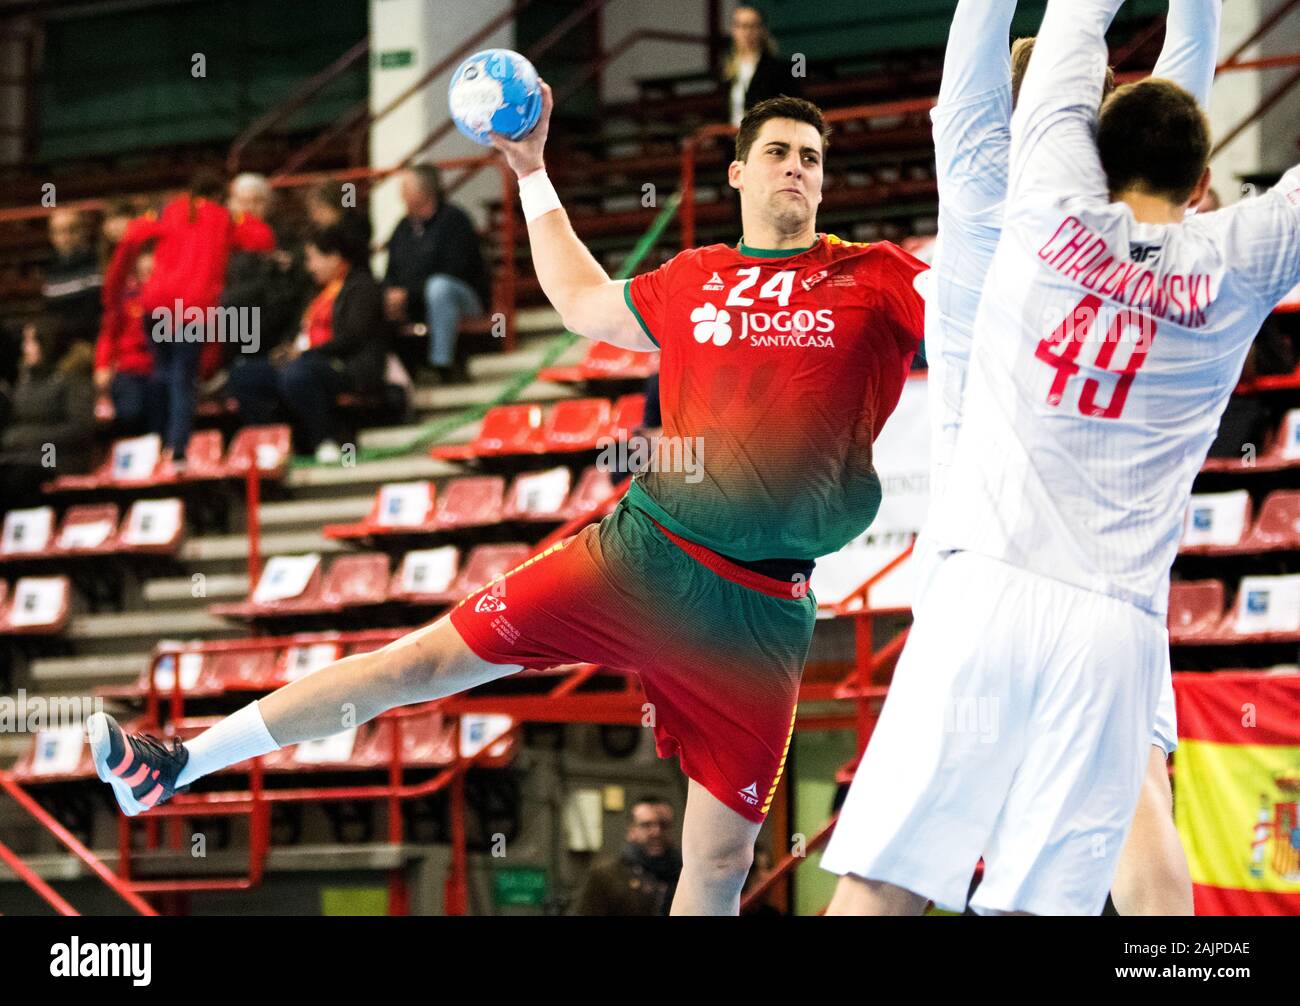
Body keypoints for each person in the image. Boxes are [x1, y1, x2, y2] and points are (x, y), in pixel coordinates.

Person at [87, 88, 928, 917]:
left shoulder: (878, 276)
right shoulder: (694, 279)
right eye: (778, 153)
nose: (796, 170)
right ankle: (177, 764)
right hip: (644, 554)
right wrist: (530, 171)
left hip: (760, 611)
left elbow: (997, 304)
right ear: (739, 175)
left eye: (811, 159)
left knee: (718, 859)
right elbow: (578, 301)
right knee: (413, 664)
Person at [824, 0, 1299, 916]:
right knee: (1080, 867)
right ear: (1201, 181)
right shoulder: (1230, 264)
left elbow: (1050, 40)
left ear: (1081, 141)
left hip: (984, 559)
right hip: (1113, 618)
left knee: (885, 874)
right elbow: (1173, 95)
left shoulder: (1033, 204)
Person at [102, 169, 268, 469]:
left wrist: (113, 286)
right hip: (192, 309)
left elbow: (131, 237)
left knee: (161, 375)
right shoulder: (223, 218)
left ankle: (156, 444)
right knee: (182, 378)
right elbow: (263, 238)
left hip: (156, 304)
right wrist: (239, 215)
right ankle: (177, 451)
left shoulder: (169, 209)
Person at [225, 222, 389, 462]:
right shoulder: (314, 292)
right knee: (243, 376)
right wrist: (286, 349)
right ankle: (276, 442)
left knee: (298, 374)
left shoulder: (362, 287)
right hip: (305, 360)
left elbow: (353, 336)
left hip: (344, 364)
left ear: (334, 257)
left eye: (313, 258)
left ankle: (326, 439)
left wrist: (306, 352)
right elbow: (296, 330)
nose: (309, 267)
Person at [381, 165, 490, 383]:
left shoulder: (454, 220)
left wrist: (409, 293)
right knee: (375, 295)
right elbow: (390, 271)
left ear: (423, 191)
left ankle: (443, 364)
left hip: (464, 299)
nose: (400, 195)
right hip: (415, 302)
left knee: (439, 287)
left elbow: (457, 269)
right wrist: (390, 293)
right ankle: (394, 374)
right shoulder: (402, 227)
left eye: (405, 188)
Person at [0, 316, 96, 509]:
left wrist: (25, 438)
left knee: (21, 477)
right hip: (21, 455)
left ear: (48, 342)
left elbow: (79, 429)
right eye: (25, 341)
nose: (25, 347)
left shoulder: (71, 379)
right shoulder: (25, 380)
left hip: (54, 455)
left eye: (31, 341)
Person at [94, 246, 163, 438]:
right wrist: (102, 365)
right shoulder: (125, 298)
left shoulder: (172, 298)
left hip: (161, 368)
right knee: (130, 412)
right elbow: (108, 334)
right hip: (129, 369)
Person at [573, 797, 681, 915]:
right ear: (631, 831)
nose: (656, 832)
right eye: (646, 825)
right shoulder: (607, 876)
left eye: (663, 825)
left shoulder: (682, 875)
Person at [723, 5, 802, 128]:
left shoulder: (779, 69)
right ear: (734, 30)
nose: (747, 32)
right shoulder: (726, 70)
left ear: (763, 30)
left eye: (753, 26)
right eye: (741, 26)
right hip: (733, 140)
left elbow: (793, 107)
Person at [44, 207, 102, 342]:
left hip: (90, 342)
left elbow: (93, 316)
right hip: (62, 343)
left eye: (72, 230)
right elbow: (51, 312)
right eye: (58, 232)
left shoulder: (96, 263)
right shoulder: (52, 270)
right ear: (51, 236)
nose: (66, 237)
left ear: (83, 231)